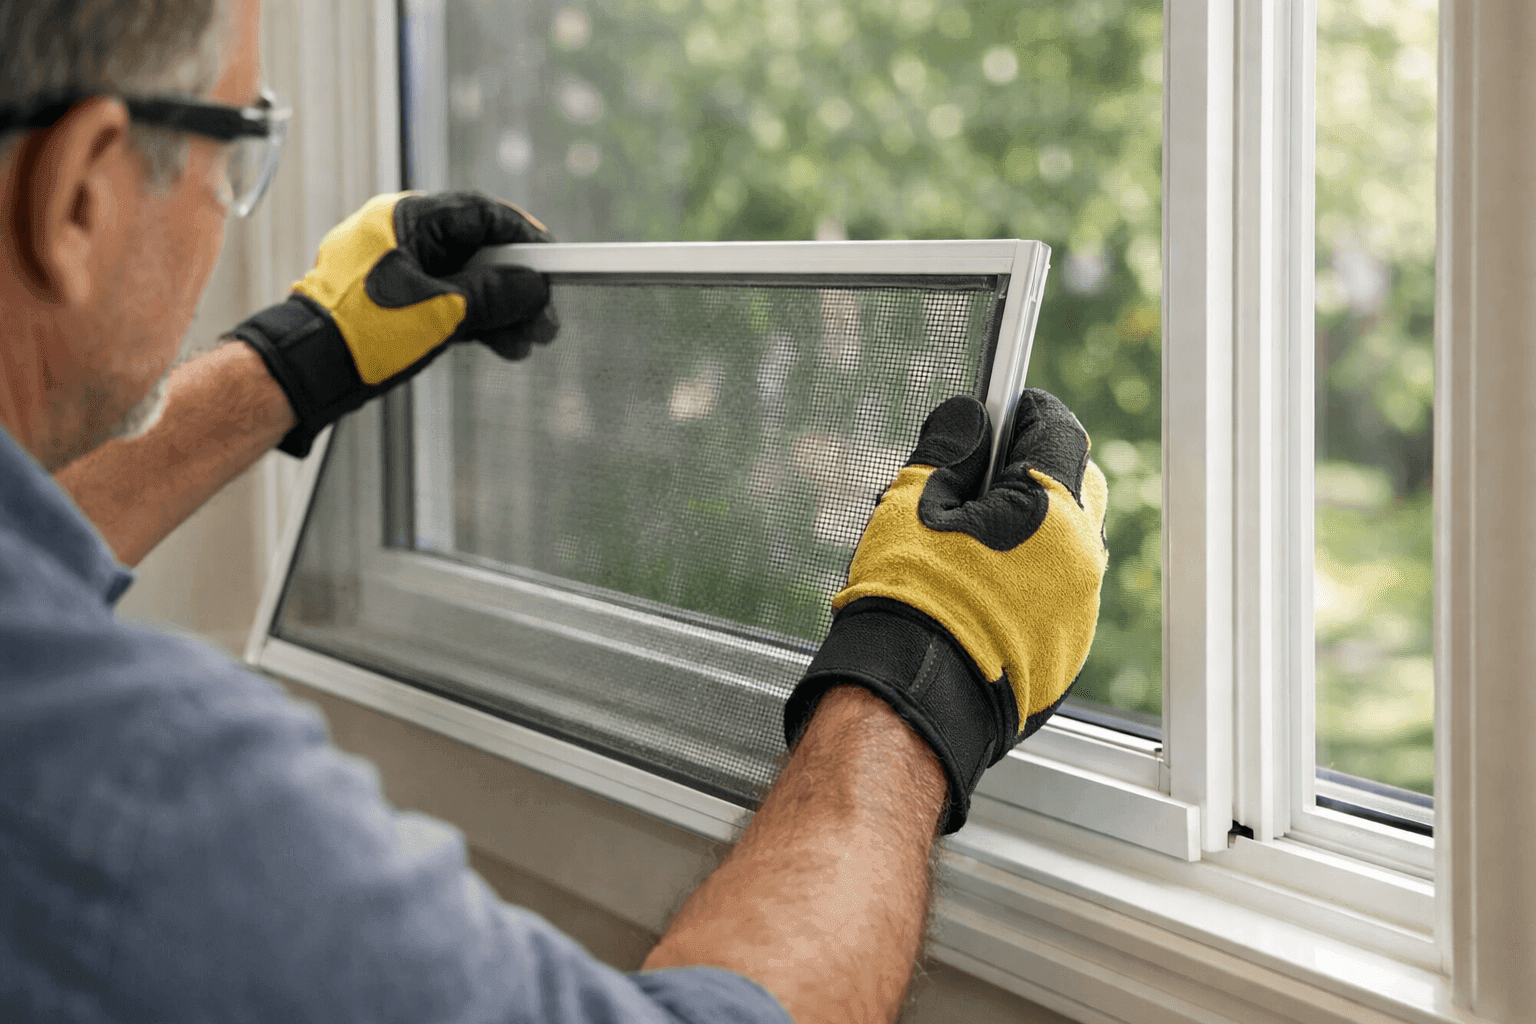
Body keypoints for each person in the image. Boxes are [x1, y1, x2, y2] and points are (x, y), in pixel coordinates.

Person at [0, 2, 1109, 1022]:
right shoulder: (125, 782)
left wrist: (293, 360)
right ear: (82, 190)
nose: (229, 191)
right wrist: (917, 680)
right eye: (238, 144)